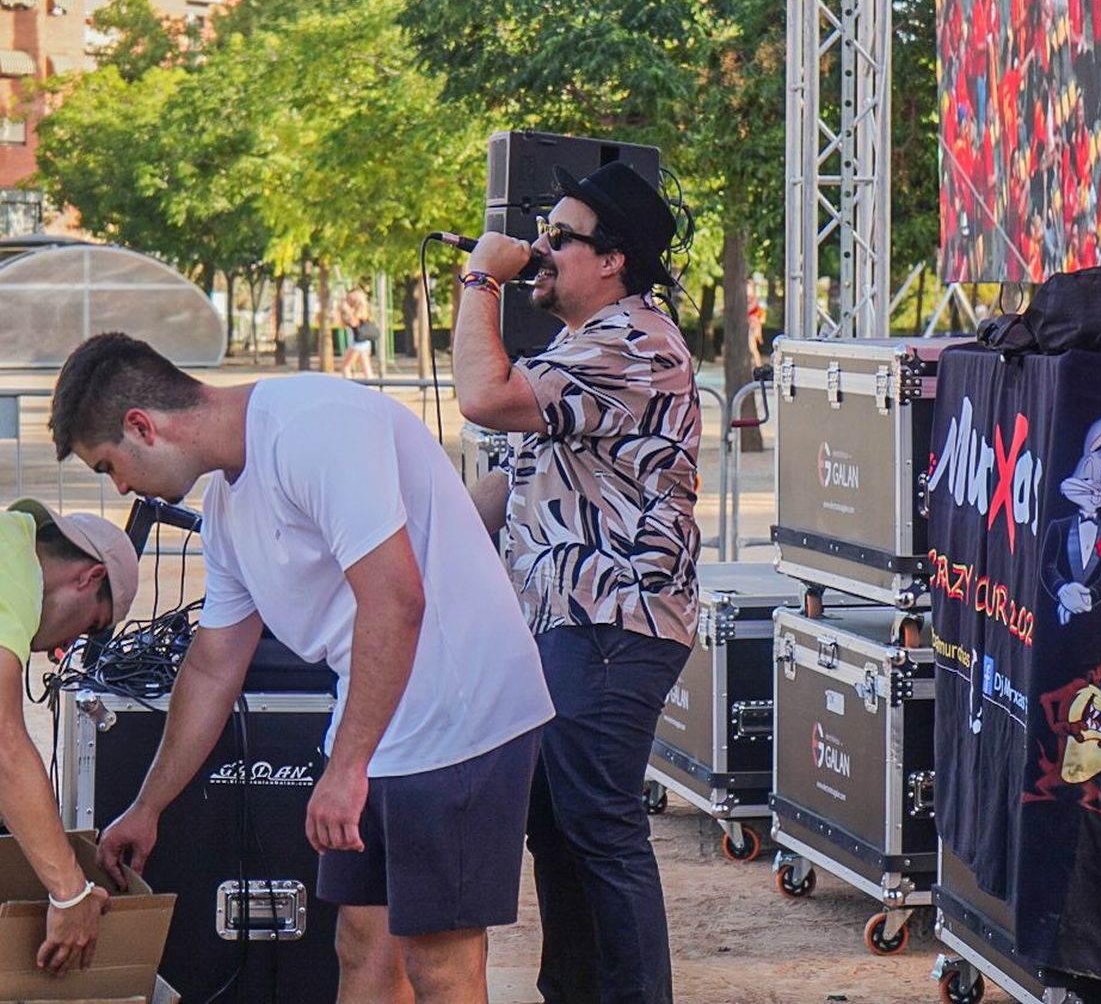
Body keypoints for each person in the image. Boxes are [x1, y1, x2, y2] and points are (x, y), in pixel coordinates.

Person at [49, 334, 553, 1004]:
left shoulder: (313, 425)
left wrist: (346, 769)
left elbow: (397, 600)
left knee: (438, 963)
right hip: (386, 718)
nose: (120, 487)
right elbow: (212, 665)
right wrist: (147, 806)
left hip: (462, 706)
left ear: (143, 426)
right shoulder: (229, 509)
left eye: (109, 464)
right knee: (361, 947)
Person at [450, 161, 700, 1004]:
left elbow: (482, 396)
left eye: (561, 238)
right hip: (569, 623)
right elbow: (517, 481)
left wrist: (481, 275)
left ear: (614, 260)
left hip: (613, 621)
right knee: (557, 829)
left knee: (598, 823)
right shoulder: (578, 347)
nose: (541, 249)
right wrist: (413, 540)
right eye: (540, 234)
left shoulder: (630, 344)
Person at [0, 499, 136, 976]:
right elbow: (3, 746)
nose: (68, 646)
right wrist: (70, 892)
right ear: (90, 577)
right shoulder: (11, 571)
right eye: (92, 626)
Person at [337, 287, 375, 381]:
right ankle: (371, 388)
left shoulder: (361, 310)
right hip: (361, 342)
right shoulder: (356, 309)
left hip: (358, 343)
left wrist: (347, 310)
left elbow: (354, 323)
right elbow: (343, 324)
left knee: (346, 367)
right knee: (365, 367)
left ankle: (349, 388)